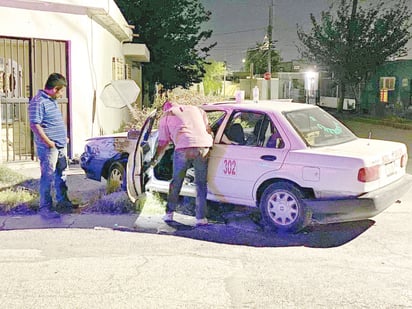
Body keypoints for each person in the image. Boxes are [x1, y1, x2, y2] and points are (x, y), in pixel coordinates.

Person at [152, 100, 213, 226]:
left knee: (176, 182)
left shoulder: (167, 115)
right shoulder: (196, 109)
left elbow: (163, 142)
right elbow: (208, 129)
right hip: (203, 147)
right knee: (201, 183)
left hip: (183, 148)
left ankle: (169, 214)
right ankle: (201, 218)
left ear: (165, 108)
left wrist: (155, 158)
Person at [29, 73, 77, 219]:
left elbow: (52, 121)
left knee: (61, 174)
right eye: (61, 90)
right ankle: (46, 208)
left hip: (60, 145)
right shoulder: (38, 101)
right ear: (55, 89)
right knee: (48, 177)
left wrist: (63, 137)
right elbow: (34, 124)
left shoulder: (51, 100)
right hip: (49, 148)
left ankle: (64, 203)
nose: (62, 94)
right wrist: (49, 142)